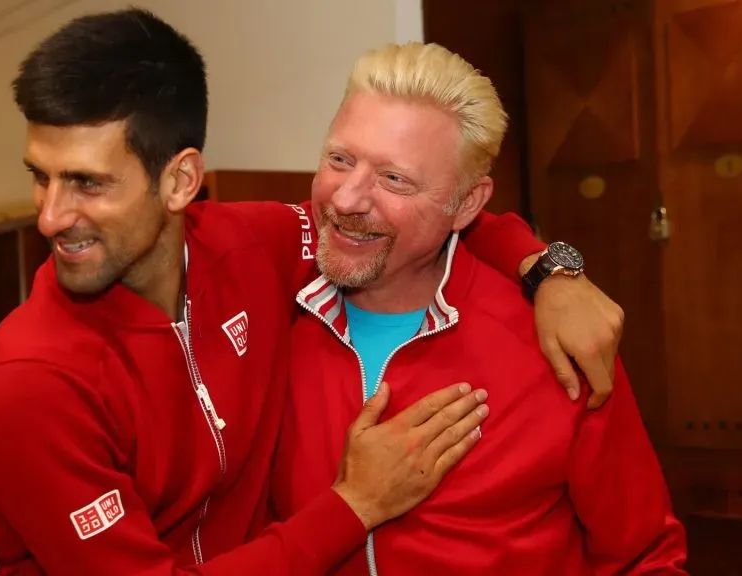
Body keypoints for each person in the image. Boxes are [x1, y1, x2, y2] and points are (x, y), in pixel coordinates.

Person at [0, 9, 626, 575]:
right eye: (40, 178)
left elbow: (411, 223)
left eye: (87, 183)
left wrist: (548, 270)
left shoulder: (253, 248)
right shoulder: (25, 382)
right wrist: (354, 504)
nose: (49, 216)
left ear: (181, 180)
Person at [271, 42, 687, 575]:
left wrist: (548, 270)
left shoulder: (557, 344)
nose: (348, 198)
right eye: (339, 160)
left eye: (394, 178)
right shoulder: (266, 314)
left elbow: (646, 558)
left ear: (466, 203)